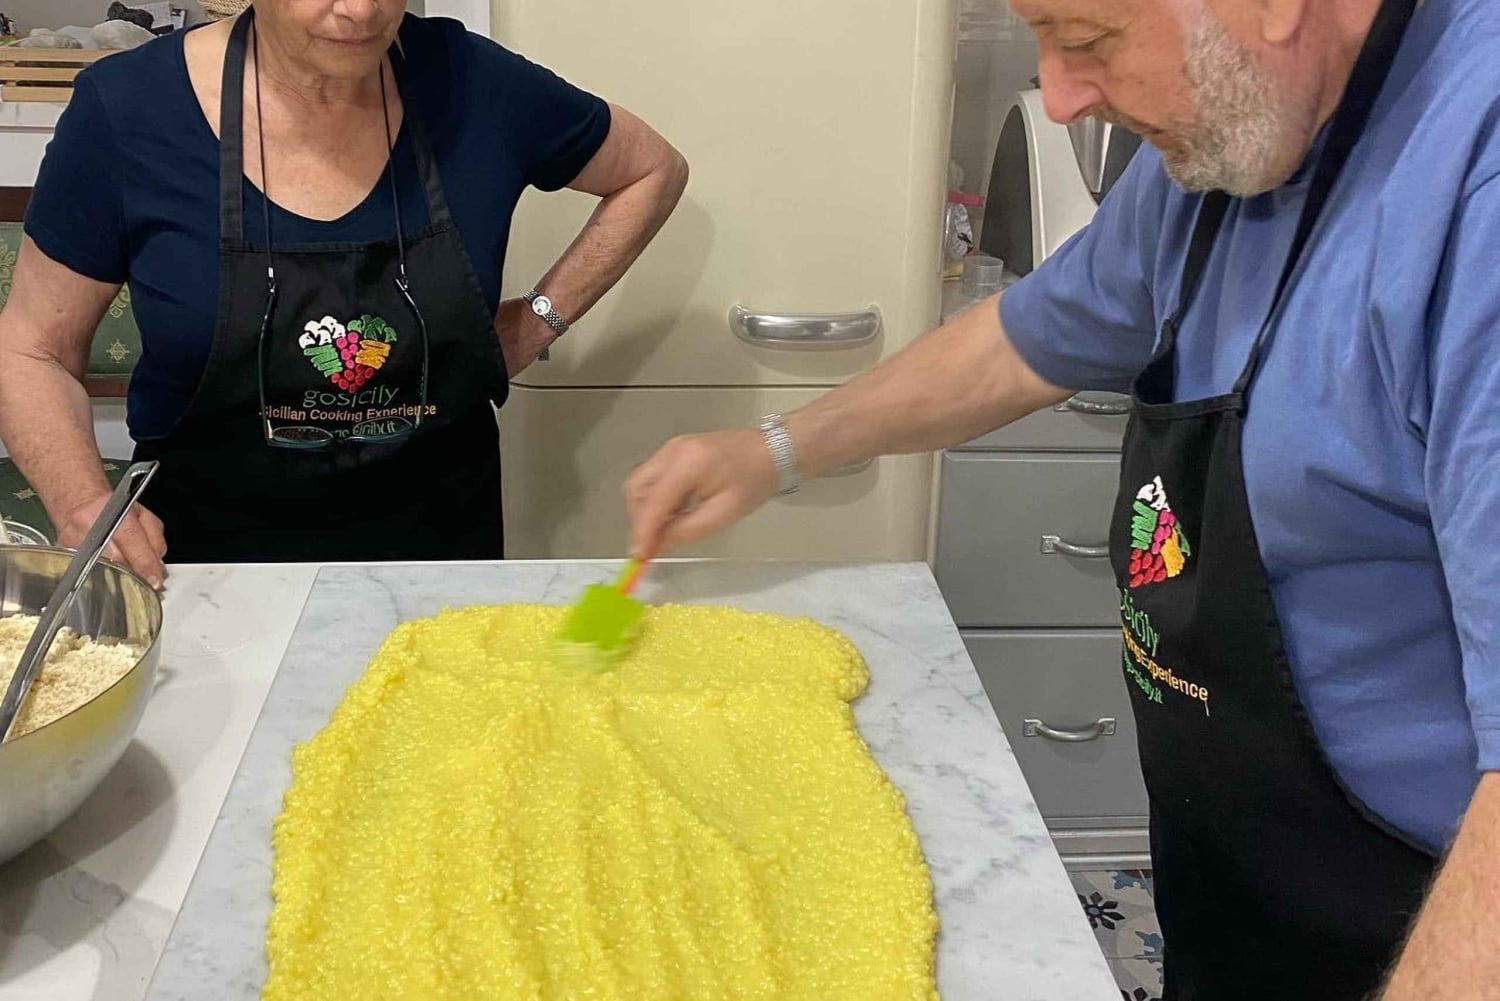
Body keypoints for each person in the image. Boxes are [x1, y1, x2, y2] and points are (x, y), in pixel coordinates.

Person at [624, 0, 1500, 998]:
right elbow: (1028, 336)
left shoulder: (1473, 181)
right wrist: (776, 450)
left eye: (1087, 40)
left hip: (1426, 917)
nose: (1060, 97)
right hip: (1235, 877)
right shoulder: (1231, 141)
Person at [0, 1, 687, 584]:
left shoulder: (474, 83)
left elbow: (651, 170)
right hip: (204, 573)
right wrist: (83, 501)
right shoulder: (128, 109)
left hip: (440, 564)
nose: (360, 10)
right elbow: (31, 349)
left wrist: (538, 322)